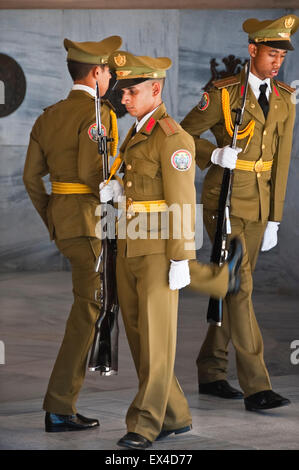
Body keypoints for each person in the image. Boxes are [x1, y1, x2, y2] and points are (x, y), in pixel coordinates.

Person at [100, 50, 243, 449]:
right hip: (130, 244)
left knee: (157, 345)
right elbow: (135, 183)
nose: (123, 98)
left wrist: (181, 256)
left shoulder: (172, 136)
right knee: (140, 340)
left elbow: (182, 201)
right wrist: (114, 194)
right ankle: (176, 416)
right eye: (121, 91)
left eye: (130, 91)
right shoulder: (138, 131)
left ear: (155, 89)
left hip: (160, 251)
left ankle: (145, 424)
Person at [181, 14, 298, 410]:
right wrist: (212, 153)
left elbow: (282, 161)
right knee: (241, 288)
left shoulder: (283, 97)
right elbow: (184, 135)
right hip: (225, 202)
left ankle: (211, 371)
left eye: (281, 54)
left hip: (260, 204)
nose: (277, 61)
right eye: (270, 53)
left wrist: (276, 217)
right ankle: (256, 386)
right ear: (253, 50)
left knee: (229, 287)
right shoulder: (223, 93)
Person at [23, 35, 122, 432]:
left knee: (93, 305)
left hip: (66, 224)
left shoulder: (48, 115)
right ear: (97, 72)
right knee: (89, 310)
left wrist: (52, 216)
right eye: (110, 71)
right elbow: (95, 176)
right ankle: (60, 406)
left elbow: (31, 177)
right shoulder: (100, 114)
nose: (113, 77)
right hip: (93, 225)